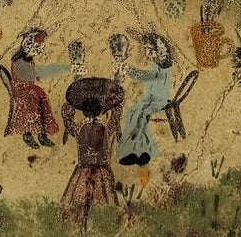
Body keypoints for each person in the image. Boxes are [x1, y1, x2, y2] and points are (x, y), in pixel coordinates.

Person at [61, 89, 121, 220]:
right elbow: (114, 121)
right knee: (104, 203)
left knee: (78, 203)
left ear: (84, 111)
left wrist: (68, 107)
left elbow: (68, 122)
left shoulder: (80, 128)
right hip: (101, 171)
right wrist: (117, 109)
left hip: (83, 171)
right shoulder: (104, 127)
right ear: (99, 111)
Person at [5, 27, 69, 148]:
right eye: (34, 51)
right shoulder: (18, 62)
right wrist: (38, 73)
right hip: (22, 91)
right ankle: (28, 134)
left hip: (30, 89)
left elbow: (34, 75)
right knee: (33, 99)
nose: (35, 54)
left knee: (42, 98)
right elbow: (30, 75)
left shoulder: (29, 60)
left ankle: (42, 135)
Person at [118, 31, 174, 167]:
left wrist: (129, 70)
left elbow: (146, 77)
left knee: (139, 115)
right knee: (132, 113)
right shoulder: (156, 65)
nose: (147, 53)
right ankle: (142, 152)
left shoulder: (163, 67)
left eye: (150, 49)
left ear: (158, 50)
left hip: (158, 100)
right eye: (146, 49)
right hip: (149, 99)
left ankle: (137, 151)